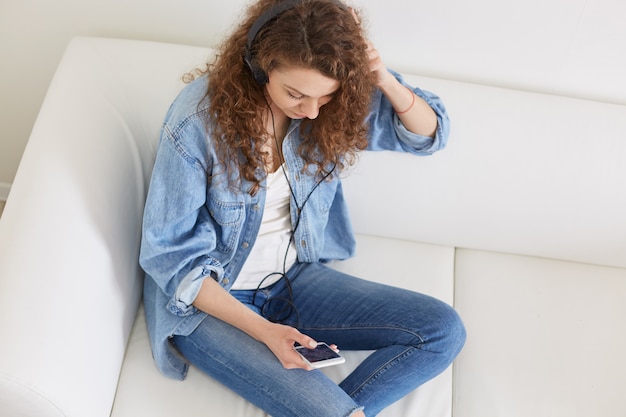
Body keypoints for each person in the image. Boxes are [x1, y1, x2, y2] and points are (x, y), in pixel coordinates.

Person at [139, 0, 466, 416]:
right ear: (260, 67)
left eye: (324, 96)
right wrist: (265, 333)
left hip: (292, 280)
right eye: (295, 94)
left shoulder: (328, 106)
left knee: (442, 330)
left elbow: (429, 135)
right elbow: (170, 257)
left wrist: (381, 78)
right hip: (210, 301)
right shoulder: (198, 122)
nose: (311, 110)